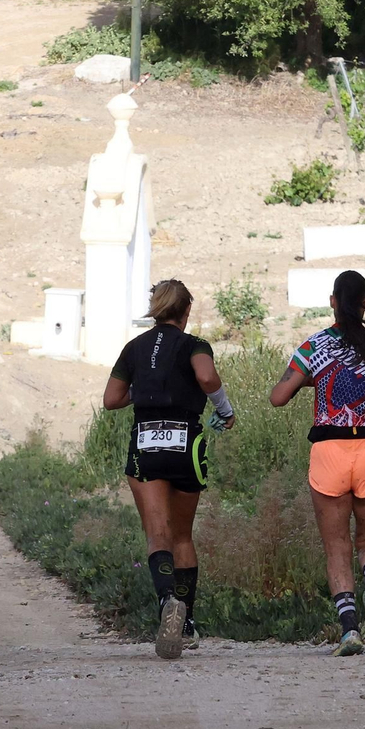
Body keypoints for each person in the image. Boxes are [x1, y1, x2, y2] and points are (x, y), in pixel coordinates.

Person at [269, 271, 365, 657]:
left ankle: (350, 631)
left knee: (336, 546)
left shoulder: (313, 346)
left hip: (329, 453)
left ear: (333, 301)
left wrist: (310, 379)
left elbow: (278, 396)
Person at [102, 280, 236, 659]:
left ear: (155, 309)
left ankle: (166, 604)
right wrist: (224, 410)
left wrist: (143, 388)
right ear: (186, 311)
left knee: (156, 534)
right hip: (186, 444)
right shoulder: (194, 345)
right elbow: (207, 377)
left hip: (146, 443)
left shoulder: (134, 348)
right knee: (182, 537)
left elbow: (112, 399)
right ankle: (188, 621)